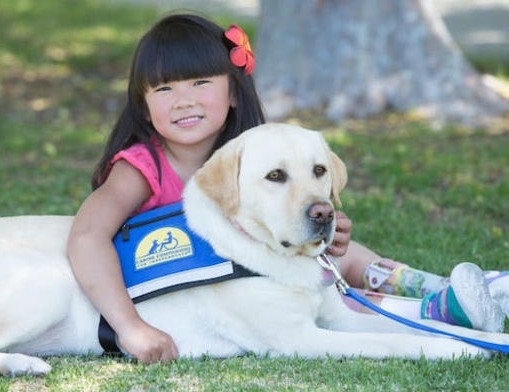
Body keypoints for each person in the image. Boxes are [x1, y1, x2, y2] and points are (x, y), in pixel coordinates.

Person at [68, 13, 507, 365]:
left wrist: (323, 228)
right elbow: (87, 235)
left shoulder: (255, 153)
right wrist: (128, 325)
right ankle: (441, 305)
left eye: (201, 82)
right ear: (144, 108)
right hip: (193, 282)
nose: (184, 100)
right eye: (164, 89)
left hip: (263, 270)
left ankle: (427, 288)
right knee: (318, 254)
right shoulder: (141, 168)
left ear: (234, 93)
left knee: (330, 235)